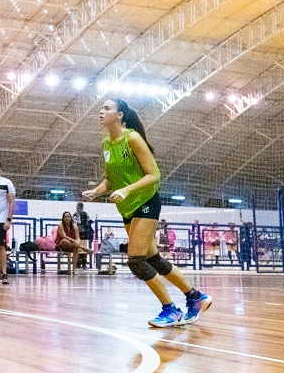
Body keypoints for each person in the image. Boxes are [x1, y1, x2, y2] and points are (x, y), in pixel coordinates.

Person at [83, 99, 212, 327]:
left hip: (146, 201)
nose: (101, 111)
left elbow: (154, 175)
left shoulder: (132, 138)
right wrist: (97, 191)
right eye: (101, 108)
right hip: (127, 207)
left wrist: (127, 189)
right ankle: (196, 298)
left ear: (120, 115)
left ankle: (170, 311)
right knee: (154, 260)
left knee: (136, 261)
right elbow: (110, 179)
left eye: (107, 108)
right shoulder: (106, 144)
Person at [74, 202, 93, 268]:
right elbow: (90, 221)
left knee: (78, 248)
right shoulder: (84, 214)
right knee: (83, 248)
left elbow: (74, 223)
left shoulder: (75, 214)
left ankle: (78, 263)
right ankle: (83, 263)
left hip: (78, 234)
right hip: (83, 233)